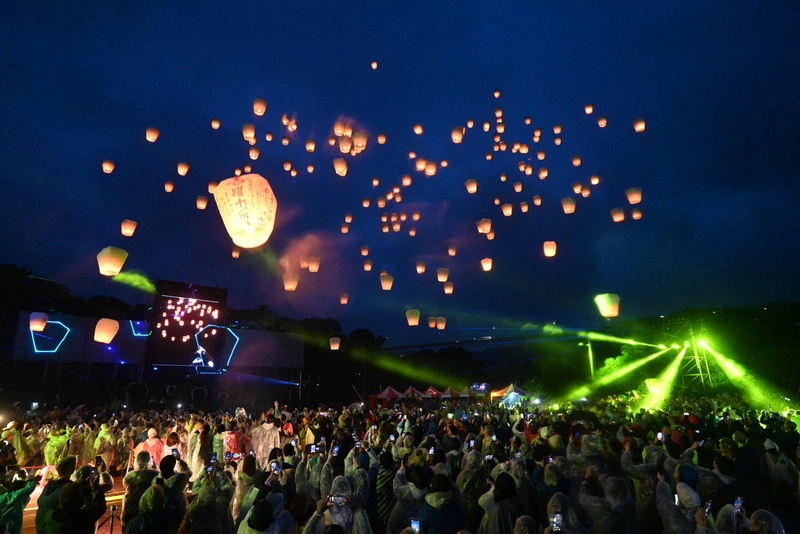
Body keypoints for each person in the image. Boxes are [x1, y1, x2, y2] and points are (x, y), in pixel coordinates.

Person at [35, 456, 77, 533]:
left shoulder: (49, 486)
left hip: (41, 525)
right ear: (72, 470)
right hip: (56, 527)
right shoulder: (70, 487)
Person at [121, 451, 160, 527]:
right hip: (148, 509)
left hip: (130, 508)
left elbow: (125, 485)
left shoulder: (129, 476)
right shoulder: (157, 475)